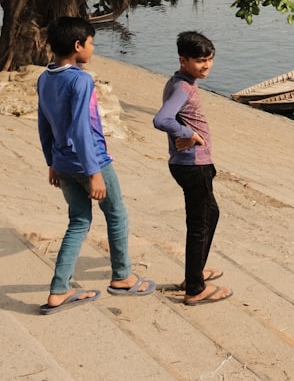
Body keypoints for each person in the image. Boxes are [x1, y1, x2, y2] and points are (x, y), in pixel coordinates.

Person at [36, 16, 155, 315]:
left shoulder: (44, 78)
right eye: (91, 44)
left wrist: (52, 161)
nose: (93, 49)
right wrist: (94, 173)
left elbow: (44, 124)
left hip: (62, 162)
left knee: (78, 221)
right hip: (90, 162)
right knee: (116, 215)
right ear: (78, 46)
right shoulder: (81, 80)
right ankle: (123, 277)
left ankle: (58, 291)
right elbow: (80, 129)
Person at [153, 31, 233, 306]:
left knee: (211, 214)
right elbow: (161, 118)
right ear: (183, 60)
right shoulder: (181, 88)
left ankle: (194, 273)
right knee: (200, 223)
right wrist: (189, 132)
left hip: (194, 163)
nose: (207, 66)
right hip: (192, 164)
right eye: (200, 61)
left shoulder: (183, 82)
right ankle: (194, 289)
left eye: (210, 60)